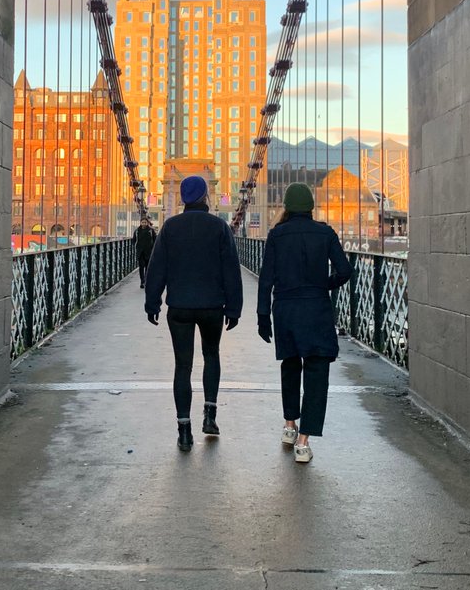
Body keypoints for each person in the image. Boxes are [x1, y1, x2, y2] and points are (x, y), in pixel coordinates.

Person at [144, 175, 243, 451]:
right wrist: (234, 308)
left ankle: (184, 431)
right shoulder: (220, 228)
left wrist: (152, 303)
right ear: (206, 197)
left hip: (180, 308)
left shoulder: (170, 227)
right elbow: (231, 271)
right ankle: (210, 416)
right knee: (211, 356)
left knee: (182, 366)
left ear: (183, 198)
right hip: (212, 307)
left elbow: (157, 268)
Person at [256, 182, 351, 464]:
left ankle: (289, 425)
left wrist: (263, 316)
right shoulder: (325, 233)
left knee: (290, 365)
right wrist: (326, 284)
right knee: (316, 373)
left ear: (287, 206)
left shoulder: (276, 235)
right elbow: (345, 270)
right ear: (311, 206)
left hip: (285, 310)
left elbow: (266, 279)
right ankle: (303, 442)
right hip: (316, 310)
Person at [134, 217, 156, 287]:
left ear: (147, 223)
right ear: (140, 223)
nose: (144, 224)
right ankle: (142, 281)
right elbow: (134, 240)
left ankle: (146, 280)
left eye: (145, 222)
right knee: (141, 267)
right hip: (140, 252)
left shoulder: (151, 231)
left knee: (147, 267)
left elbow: (155, 240)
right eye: (142, 222)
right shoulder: (137, 231)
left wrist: (153, 249)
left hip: (149, 251)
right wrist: (137, 247)